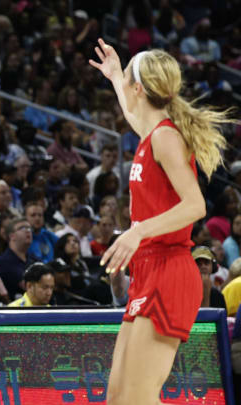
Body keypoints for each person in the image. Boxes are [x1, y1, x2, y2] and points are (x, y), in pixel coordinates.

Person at [90, 40, 233, 404]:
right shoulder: (151, 134)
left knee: (136, 400)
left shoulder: (166, 138)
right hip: (149, 272)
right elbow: (133, 112)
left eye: (129, 84)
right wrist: (115, 77)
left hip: (169, 270)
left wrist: (138, 231)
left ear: (141, 89)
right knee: (119, 399)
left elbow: (195, 205)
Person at [0, 218, 37, 299]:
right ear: (12, 236)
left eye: (29, 228)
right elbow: (27, 286)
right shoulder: (4, 262)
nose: (28, 231)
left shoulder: (34, 259)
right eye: (22, 228)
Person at [191, 246, 226, 310]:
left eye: (206, 263)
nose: (203, 266)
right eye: (199, 264)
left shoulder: (218, 296)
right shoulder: (185, 293)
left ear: (213, 266)